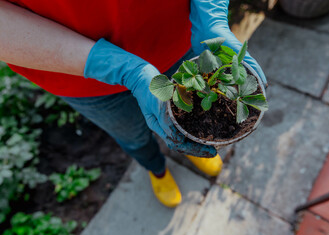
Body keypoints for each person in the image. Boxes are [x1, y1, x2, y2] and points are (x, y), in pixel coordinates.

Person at [0, 0, 267, 207]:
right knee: (131, 134)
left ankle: (193, 146)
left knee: (190, 111)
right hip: (76, 70)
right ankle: (157, 169)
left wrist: (210, 13)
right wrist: (123, 68)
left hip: (177, 35)